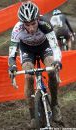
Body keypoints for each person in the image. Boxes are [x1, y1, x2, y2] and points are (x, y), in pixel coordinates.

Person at [8, 1, 62, 129]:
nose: (31, 28)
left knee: (51, 70)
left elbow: (55, 46)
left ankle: (54, 105)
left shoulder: (45, 24)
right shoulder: (17, 29)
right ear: (22, 24)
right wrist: (12, 66)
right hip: (27, 50)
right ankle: (33, 116)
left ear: (38, 19)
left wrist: (57, 60)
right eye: (27, 25)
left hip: (44, 47)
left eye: (33, 23)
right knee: (28, 77)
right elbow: (12, 54)